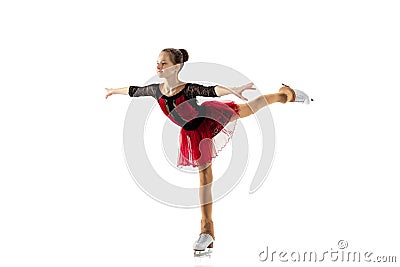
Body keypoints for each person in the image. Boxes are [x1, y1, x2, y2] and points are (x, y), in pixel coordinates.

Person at [105, 48, 311, 254]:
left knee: (248, 109)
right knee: (204, 178)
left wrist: (231, 89)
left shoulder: (187, 89)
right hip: (192, 135)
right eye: (157, 62)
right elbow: (134, 90)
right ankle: (208, 233)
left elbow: (211, 91)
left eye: (163, 63)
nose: (158, 66)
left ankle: (286, 95)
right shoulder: (155, 90)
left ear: (176, 67)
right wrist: (114, 90)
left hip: (208, 118)